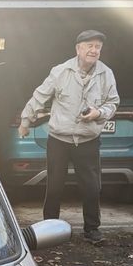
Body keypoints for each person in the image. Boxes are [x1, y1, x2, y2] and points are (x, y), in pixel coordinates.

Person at [18, 30, 120, 243]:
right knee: (54, 186)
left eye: (98, 47)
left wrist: (98, 113)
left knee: (92, 187)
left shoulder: (106, 73)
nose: (94, 50)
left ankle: (92, 230)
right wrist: (25, 121)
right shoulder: (60, 71)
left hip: (87, 140)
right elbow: (40, 96)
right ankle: (49, 228)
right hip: (59, 140)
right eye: (89, 45)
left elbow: (112, 102)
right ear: (78, 49)